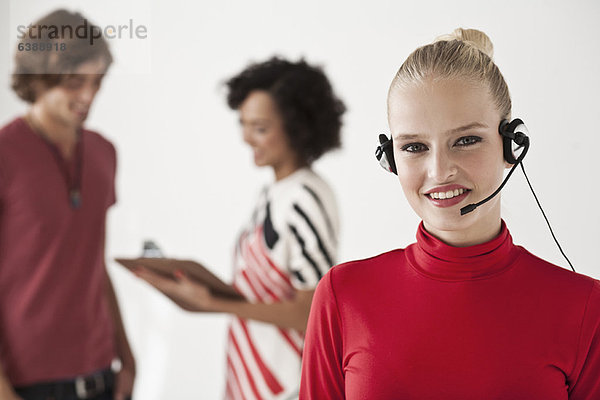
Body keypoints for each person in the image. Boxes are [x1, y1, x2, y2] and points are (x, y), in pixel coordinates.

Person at [300, 28, 600, 399]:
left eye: (466, 140)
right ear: (390, 158)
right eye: (414, 146)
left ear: (512, 145)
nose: (439, 171)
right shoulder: (341, 296)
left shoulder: (585, 306)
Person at [134, 57, 346, 399]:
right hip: (252, 383)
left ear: (297, 127)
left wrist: (214, 304)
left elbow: (310, 314)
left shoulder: (306, 198)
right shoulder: (274, 194)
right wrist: (193, 292)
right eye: (244, 125)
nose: (247, 139)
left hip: (288, 386)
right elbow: (263, 294)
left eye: (260, 128)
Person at [0, 10, 135, 400]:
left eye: (97, 82)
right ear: (40, 78)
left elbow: (93, 260)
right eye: (76, 83)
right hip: (24, 382)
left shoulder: (104, 152)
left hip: (100, 375)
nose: (89, 96)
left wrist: (127, 357)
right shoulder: (6, 154)